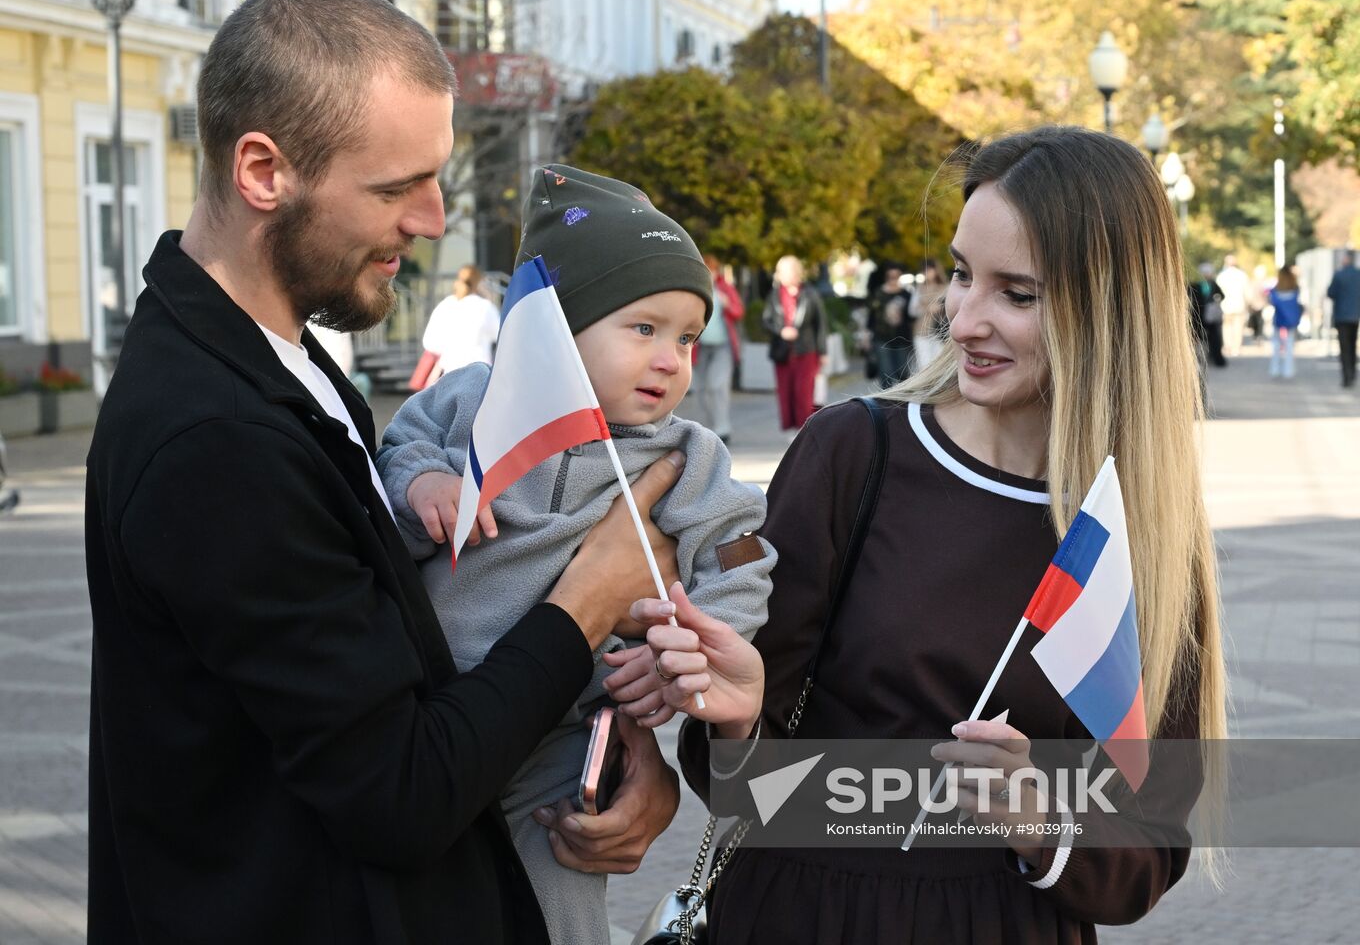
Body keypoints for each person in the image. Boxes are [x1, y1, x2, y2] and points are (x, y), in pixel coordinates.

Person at [83, 0, 683, 945]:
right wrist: (588, 600)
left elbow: (413, 663)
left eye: (436, 177)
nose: (435, 219)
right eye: (397, 186)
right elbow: (400, 791)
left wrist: (619, 741)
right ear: (263, 171)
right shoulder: (214, 439)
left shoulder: (280, 360)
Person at [640, 126, 1229, 944]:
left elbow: (1149, 844)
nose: (963, 319)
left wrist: (1045, 824)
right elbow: (744, 787)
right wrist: (736, 726)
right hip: (801, 914)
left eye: (1016, 294)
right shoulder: (854, 451)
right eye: (959, 276)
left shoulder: (1147, 539)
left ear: (1110, 310)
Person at [376, 164, 775, 945]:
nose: (672, 359)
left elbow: (739, 557)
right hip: (425, 722)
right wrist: (423, 485)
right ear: (557, 330)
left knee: (561, 900)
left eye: (688, 338)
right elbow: (398, 449)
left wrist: (686, 647)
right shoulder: (472, 400)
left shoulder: (686, 454)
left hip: (562, 743)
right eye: (644, 329)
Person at [762, 255, 827, 431]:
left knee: (804, 392)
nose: (786, 275)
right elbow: (766, 320)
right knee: (785, 392)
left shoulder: (810, 293)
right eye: (782, 271)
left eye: (790, 271)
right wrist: (781, 330)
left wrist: (823, 352)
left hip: (806, 350)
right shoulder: (774, 295)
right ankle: (790, 429)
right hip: (782, 351)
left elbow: (820, 324)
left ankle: (805, 428)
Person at [419, 262, 501, 387]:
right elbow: (498, 335)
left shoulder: (446, 305)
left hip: (449, 372)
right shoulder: (485, 307)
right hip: (479, 373)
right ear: (479, 283)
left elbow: (429, 343)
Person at [693, 253, 745, 442]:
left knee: (718, 385)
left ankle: (722, 428)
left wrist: (727, 303)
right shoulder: (695, 290)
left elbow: (739, 311)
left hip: (722, 346)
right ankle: (709, 427)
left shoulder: (724, 288)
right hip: (699, 347)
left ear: (716, 272)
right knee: (700, 389)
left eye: (711, 271)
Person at [867, 263, 913, 388]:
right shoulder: (878, 293)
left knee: (902, 373)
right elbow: (872, 316)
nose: (893, 279)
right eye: (890, 276)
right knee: (885, 372)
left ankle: (902, 401)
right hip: (881, 337)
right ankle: (886, 402)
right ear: (886, 277)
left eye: (895, 276)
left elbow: (911, 316)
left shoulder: (906, 294)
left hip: (901, 338)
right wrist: (867, 334)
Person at [909, 257, 950, 371]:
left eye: (929, 270)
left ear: (936, 270)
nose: (926, 273)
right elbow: (912, 311)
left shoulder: (946, 287)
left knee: (938, 367)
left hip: (940, 331)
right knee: (924, 367)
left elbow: (952, 308)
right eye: (924, 270)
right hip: (921, 331)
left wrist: (940, 307)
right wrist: (927, 308)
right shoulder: (919, 288)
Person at [1327, 250, 1360, 388]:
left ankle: (1347, 376)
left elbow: (1331, 293)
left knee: (1344, 347)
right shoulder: (1358, 275)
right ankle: (1352, 374)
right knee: (1352, 345)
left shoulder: (1339, 275)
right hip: (1355, 315)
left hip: (1341, 316)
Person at [1268, 265, 1304, 380]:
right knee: (1289, 345)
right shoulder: (1295, 288)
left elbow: (1271, 301)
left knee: (1276, 345)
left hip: (1279, 319)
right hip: (1292, 320)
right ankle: (1288, 370)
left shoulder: (1275, 290)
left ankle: (1275, 369)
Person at [1215, 254, 1250, 357]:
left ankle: (1228, 346)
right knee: (1238, 328)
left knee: (1226, 327)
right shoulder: (1241, 275)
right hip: (1239, 305)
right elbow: (1247, 291)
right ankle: (1236, 348)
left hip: (1225, 306)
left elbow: (1217, 293)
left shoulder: (1221, 276)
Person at [1193, 262, 1227, 367]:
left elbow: (1222, 295)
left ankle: (1216, 358)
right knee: (1199, 338)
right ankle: (1199, 358)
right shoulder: (1196, 284)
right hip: (1198, 315)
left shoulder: (1212, 284)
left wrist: (1214, 301)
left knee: (1214, 338)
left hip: (1209, 316)